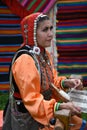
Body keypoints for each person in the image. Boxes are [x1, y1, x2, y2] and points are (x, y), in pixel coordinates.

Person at [11, 12, 86, 130]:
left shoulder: (43, 53)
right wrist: (58, 107)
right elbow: (32, 100)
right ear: (32, 34)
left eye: (51, 28)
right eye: (45, 30)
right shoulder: (25, 60)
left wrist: (66, 82)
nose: (50, 34)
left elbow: (51, 81)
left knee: (82, 125)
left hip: (45, 109)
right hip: (29, 118)